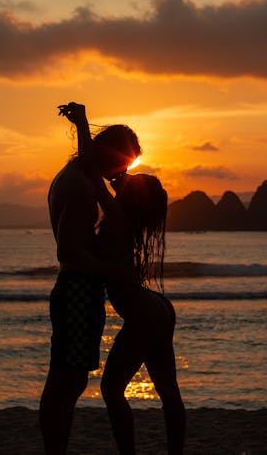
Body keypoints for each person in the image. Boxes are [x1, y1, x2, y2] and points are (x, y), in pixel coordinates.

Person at [59, 102, 186, 455]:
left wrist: (83, 123)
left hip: (144, 313)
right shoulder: (128, 221)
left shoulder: (114, 215)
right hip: (159, 308)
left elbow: (89, 164)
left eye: (127, 182)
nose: (120, 178)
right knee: (169, 393)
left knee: (112, 390)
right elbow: (99, 168)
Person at [39, 103, 142, 455]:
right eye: (122, 165)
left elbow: (98, 177)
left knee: (73, 380)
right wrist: (119, 272)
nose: (120, 174)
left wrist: (82, 123)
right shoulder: (82, 187)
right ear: (108, 156)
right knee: (63, 382)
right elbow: (69, 255)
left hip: (80, 291)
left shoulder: (82, 177)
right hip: (76, 291)